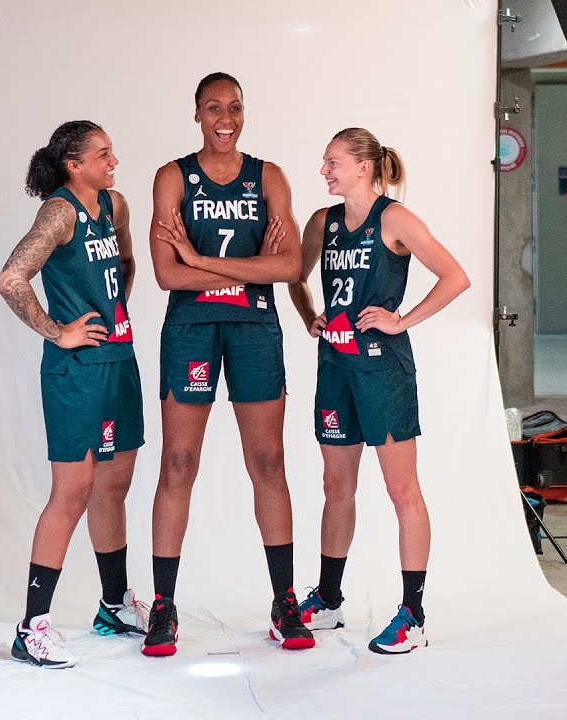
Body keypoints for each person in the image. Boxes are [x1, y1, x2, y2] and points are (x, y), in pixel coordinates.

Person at [144, 72, 311, 655]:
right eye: (214, 107)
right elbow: (167, 274)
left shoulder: (269, 176)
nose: (226, 117)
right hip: (190, 328)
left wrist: (199, 258)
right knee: (178, 462)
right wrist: (245, 266)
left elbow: (289, 266)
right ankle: (163, 606)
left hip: (255, 328)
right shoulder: (172, 176)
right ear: (196, 114)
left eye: (235, 107)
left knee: (268, 460)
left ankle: (284, 599)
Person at [287, 128, 470, 654]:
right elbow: (296, 276)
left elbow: (455, 276)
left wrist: (402, 320)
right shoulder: (322, 223)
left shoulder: (393, 219)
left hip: (383, 371)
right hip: (335, 368)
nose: (324, 171)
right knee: (335, 488)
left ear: (363, 168)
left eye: (333, 162)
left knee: (401, 490)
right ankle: (328, 598)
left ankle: (413, 612)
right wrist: (309, 317)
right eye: (325, 163)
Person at [0, 120, 148, 668]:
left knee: (114, 484)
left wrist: (113, 314)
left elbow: (126, 263)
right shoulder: (60, 213)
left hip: (118, 359)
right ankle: (31, 626)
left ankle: (113, 605)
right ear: (73, 165)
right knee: (73, 489)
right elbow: (12, 278)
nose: (114, 161)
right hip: (75, 370)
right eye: (103, 154)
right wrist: (59, 330)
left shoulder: (116, 205)